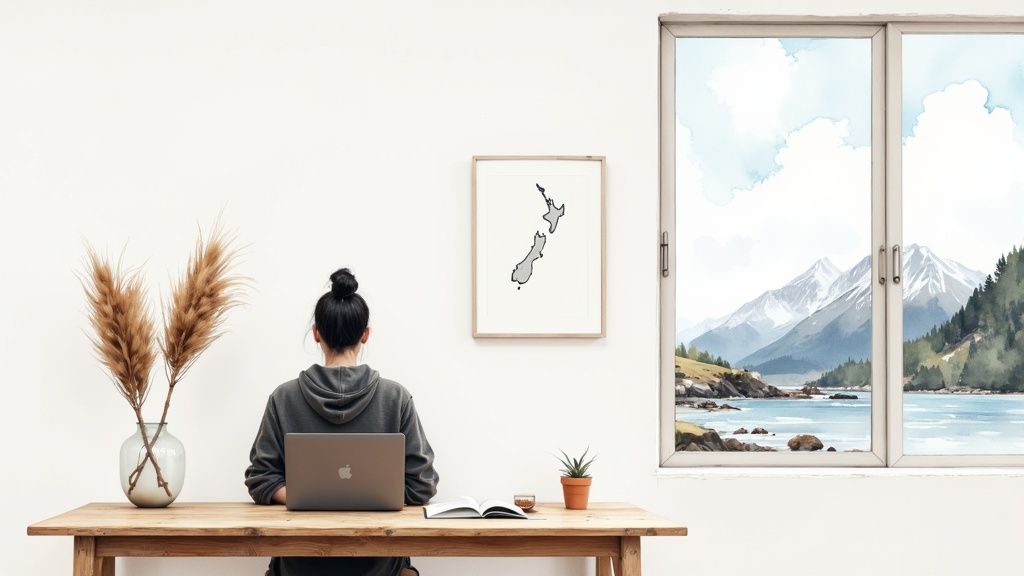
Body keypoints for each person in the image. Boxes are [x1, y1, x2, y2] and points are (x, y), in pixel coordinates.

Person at [245, 268, 439, 576]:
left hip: (298, 566)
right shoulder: (396, 397)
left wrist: (311, 497)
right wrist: (368, 495)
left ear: (316, 333)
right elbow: (422, 485)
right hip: (381, 568)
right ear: (365, 334)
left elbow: (261, 480)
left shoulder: (283, 397)